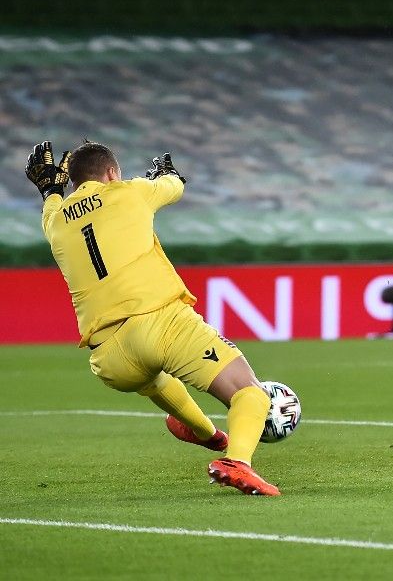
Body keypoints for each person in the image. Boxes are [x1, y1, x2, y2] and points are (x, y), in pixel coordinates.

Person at [26, 140, 280, 495]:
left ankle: (205, 433)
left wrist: (51, 190)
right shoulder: (130, 192)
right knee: (249, 391)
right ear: (112, 173)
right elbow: (173, 186)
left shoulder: (55, 221)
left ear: (74, 180)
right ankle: (236, 462)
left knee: (153, 378)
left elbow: (51, 205)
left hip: (109, 358)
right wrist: (167, 174)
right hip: (160, 323)